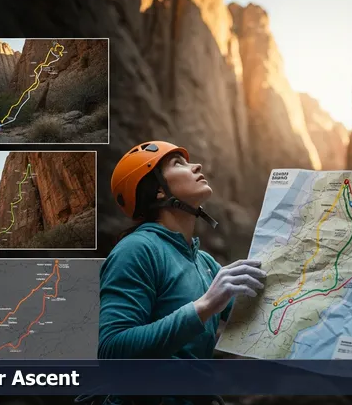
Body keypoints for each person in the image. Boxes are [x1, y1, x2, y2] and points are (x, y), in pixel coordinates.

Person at [77, 141, 266, 405]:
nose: (196, 165)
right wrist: (205, 305)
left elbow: (263, 318)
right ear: (157, 192)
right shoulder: (136, 250)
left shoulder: (206, 263)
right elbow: (112, 351)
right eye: (178, 164)